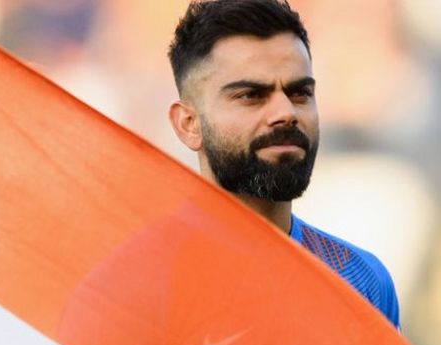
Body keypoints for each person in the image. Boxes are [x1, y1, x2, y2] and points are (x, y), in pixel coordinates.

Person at [167, 0, 400, 327]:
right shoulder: (136, 282)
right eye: (251, 95)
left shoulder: (361, 281)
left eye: (299, 93)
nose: (286, 113)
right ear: (189, 124)